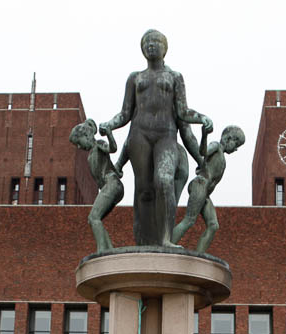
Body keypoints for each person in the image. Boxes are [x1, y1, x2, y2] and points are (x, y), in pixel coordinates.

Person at [100, 29, 213, 247]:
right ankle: (143, 241)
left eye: (156, 42)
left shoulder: (174, 77)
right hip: (139, 135)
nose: (151, 45)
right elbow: (125, 113)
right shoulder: (135, 78)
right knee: (144, 191)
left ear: (164, 47)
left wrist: (202, 119)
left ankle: (166, 239)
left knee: (163, 181)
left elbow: (183, 112)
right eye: (147, 43)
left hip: (166, 136)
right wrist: (109, 125)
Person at [171, 125, 245, 253]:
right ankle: (167, 245)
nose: (236, 148)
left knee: (213, 225)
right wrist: (204, 135)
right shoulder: (216, 146)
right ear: (228, 139)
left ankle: (199, 255)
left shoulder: (222, 158)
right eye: (236, 143)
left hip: (205, 193)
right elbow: (203, 152)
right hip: (200, 184)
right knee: (189, 219)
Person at [69, 119, 124, 252]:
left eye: (78, 142)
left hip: (112, 184)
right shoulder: (89, 157)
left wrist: (109, 133)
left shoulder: (98, 144)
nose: (78, 147)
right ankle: (109, 249)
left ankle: (101, 251)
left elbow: (112, 148)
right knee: (93, 219)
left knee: (94, 217)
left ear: (86, 135)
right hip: (111, 186)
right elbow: (110, 168)